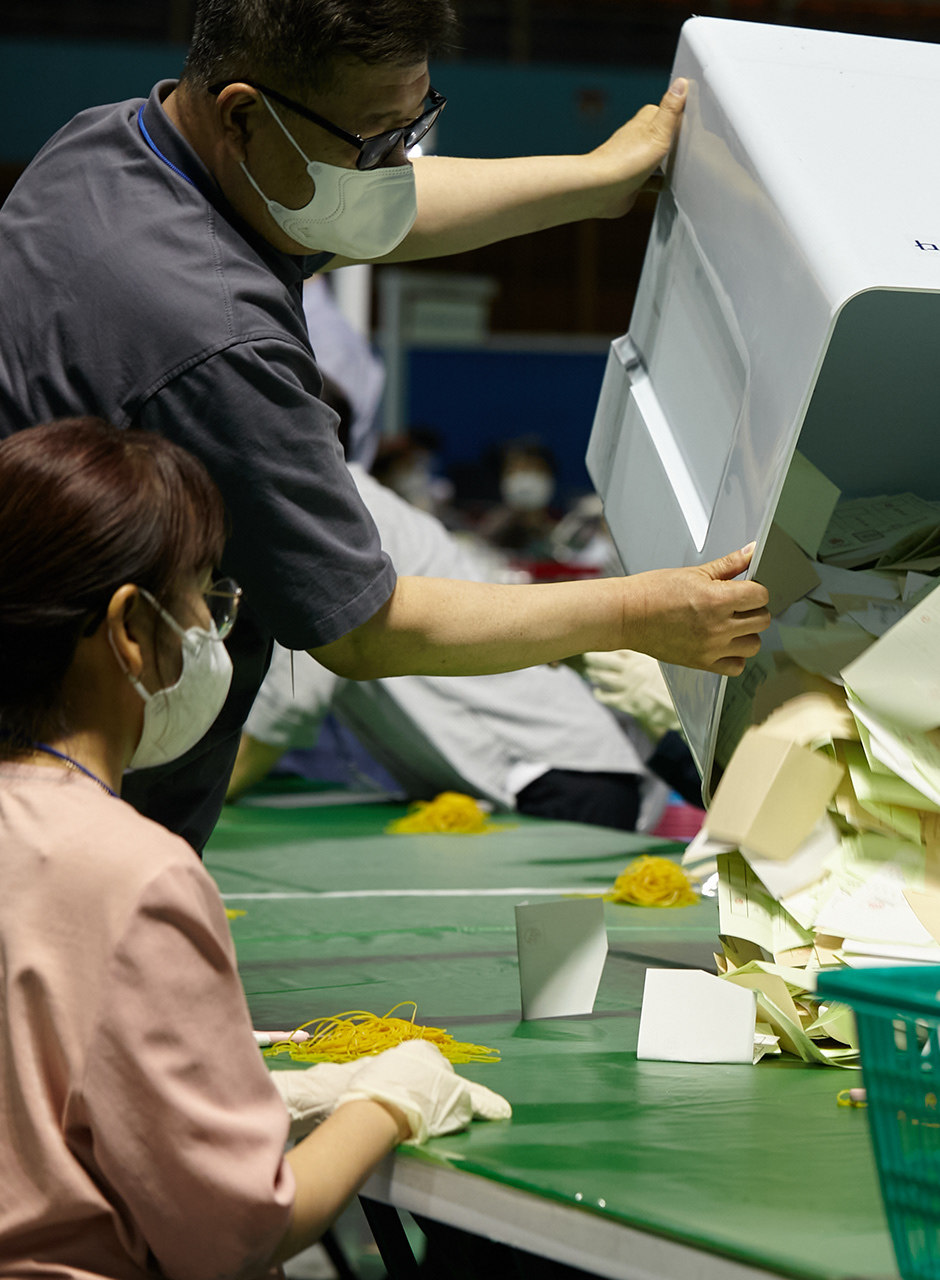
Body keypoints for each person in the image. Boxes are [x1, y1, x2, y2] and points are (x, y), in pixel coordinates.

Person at [0, 0, 770, 854]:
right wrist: (637, 613)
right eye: (373, 142)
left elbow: (368, 206)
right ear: (243, 116)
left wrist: (593, 179)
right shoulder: (213, 337)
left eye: (414, 127)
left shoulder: (110, 148)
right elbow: (366, 630)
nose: (397, 165)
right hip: (69, 784)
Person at [0, 418, 508, 1275]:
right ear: (132, 628)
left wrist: (251, 1099)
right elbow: (238, 1231)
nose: (213, 625)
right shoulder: (138, 874)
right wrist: (386, 1102)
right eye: (205, 596)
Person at [229, 457, 656, 831]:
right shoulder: (336, 500)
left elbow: (292, 701)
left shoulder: (329, 511)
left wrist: (203, 794)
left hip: (555, 775)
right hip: (541, 775)